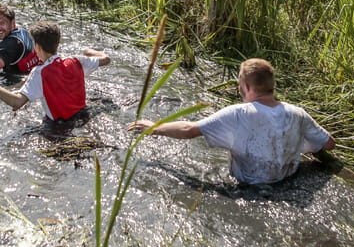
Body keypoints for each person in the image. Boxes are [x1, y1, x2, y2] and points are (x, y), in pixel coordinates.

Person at [127, 58, 335, 184]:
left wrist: (153, 128)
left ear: (245, 87)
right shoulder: (297, 113)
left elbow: (189, 130)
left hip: (247, 188)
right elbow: (329, 143)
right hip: (287, 183)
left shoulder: (238, 114)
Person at [0, 21, 110, 121]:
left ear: (38, 47)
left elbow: (16, 102)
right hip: (84, 117)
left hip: (58, 128)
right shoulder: (77, 61)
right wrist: (89, 52)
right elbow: (106, 59)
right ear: (57, 43)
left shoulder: (39, 73)